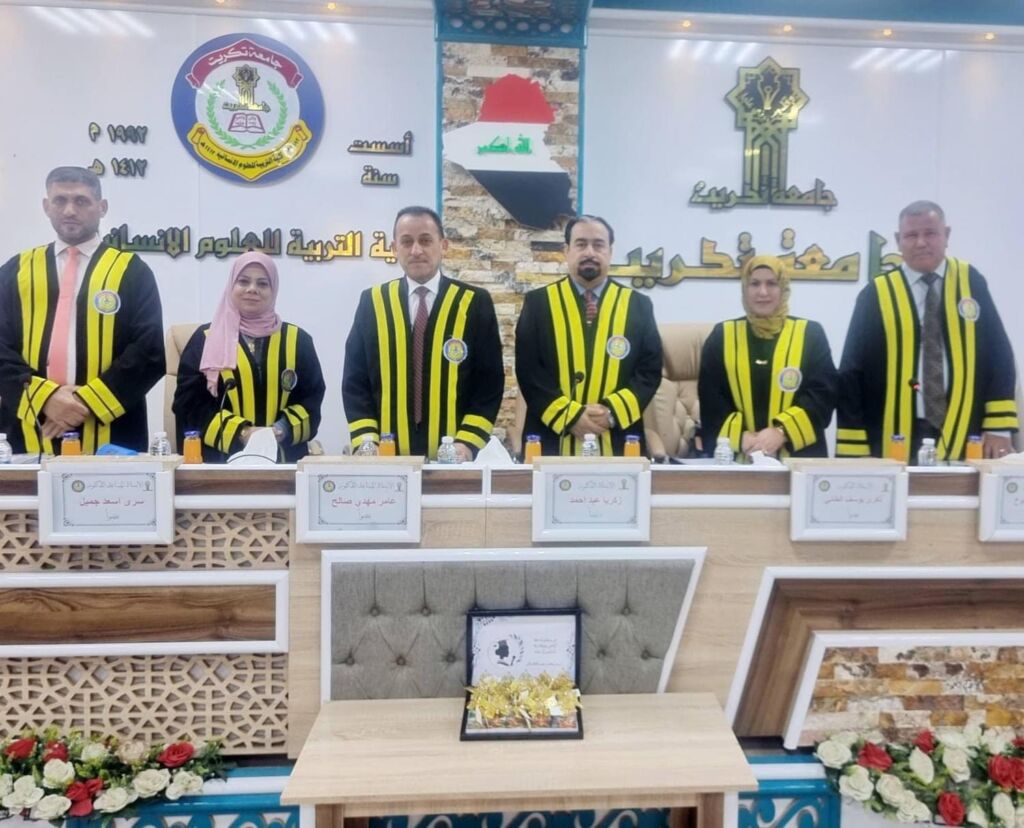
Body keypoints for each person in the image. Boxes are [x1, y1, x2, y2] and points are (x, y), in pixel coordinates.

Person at [0, 166, 164, 455]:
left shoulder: (131, 271)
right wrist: (45, 398)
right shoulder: (17, 270)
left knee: (111, 487)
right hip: (30, 426)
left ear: (102, 207)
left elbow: (149, 351)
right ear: (46, 206)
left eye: (81, 201)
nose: (69, 210)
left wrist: (85, 402)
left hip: (111, 429)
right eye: (60, 200)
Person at [837, 201, 1018, 461]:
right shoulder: (876, 294)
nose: (921, 243)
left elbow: (999, 356)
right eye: (911, 235)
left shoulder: (971, 282)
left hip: (967, 428)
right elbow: (851, 372)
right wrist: (854, 449)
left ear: (947, 235)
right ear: (898, 240)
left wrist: (999, 427)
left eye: (930, 233)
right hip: (892, 432)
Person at [342, 206, 504, 460]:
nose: (416, 250)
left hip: (455, 459)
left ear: (443, 245)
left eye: (425, 240)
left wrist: (467, 443)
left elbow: (489, 383)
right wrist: (367, 442)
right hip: (385, 458)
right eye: (407, 242)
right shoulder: (373, 302)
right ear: (394, 248)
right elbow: (355, 381)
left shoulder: (473, 302)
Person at [515, 214, 663, 456]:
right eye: (581, 244)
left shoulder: (638, 305)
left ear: (610, 252)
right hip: (551, 441)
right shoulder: (539, 303)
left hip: (618, 440)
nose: (590, 252)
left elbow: (649, 372)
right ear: (567, 251)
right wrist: (570, 416)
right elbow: (529, 371)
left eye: (598, 245)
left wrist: (611, 413)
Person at [173, 251, 324, 462]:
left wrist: (279, 431)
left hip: (283, 462)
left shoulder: (298, 341)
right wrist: (242, 433)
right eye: (243, 281)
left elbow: (312, 401)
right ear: (231, 286)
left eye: (263, 283)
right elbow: (188, 405)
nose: (252, 289)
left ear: (273, 290)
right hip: (220, 464)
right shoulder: (205, 339)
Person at [698, 255, 837, 459]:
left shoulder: (810, 335)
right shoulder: (723, 336)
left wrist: (782, 431)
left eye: (771, 283)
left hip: (798, 459)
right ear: (745, 289)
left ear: (784, 289)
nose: (763, 292)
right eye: (754, 284)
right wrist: (740, 437)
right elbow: (711, 400)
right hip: (738, 455)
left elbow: (823, 395)